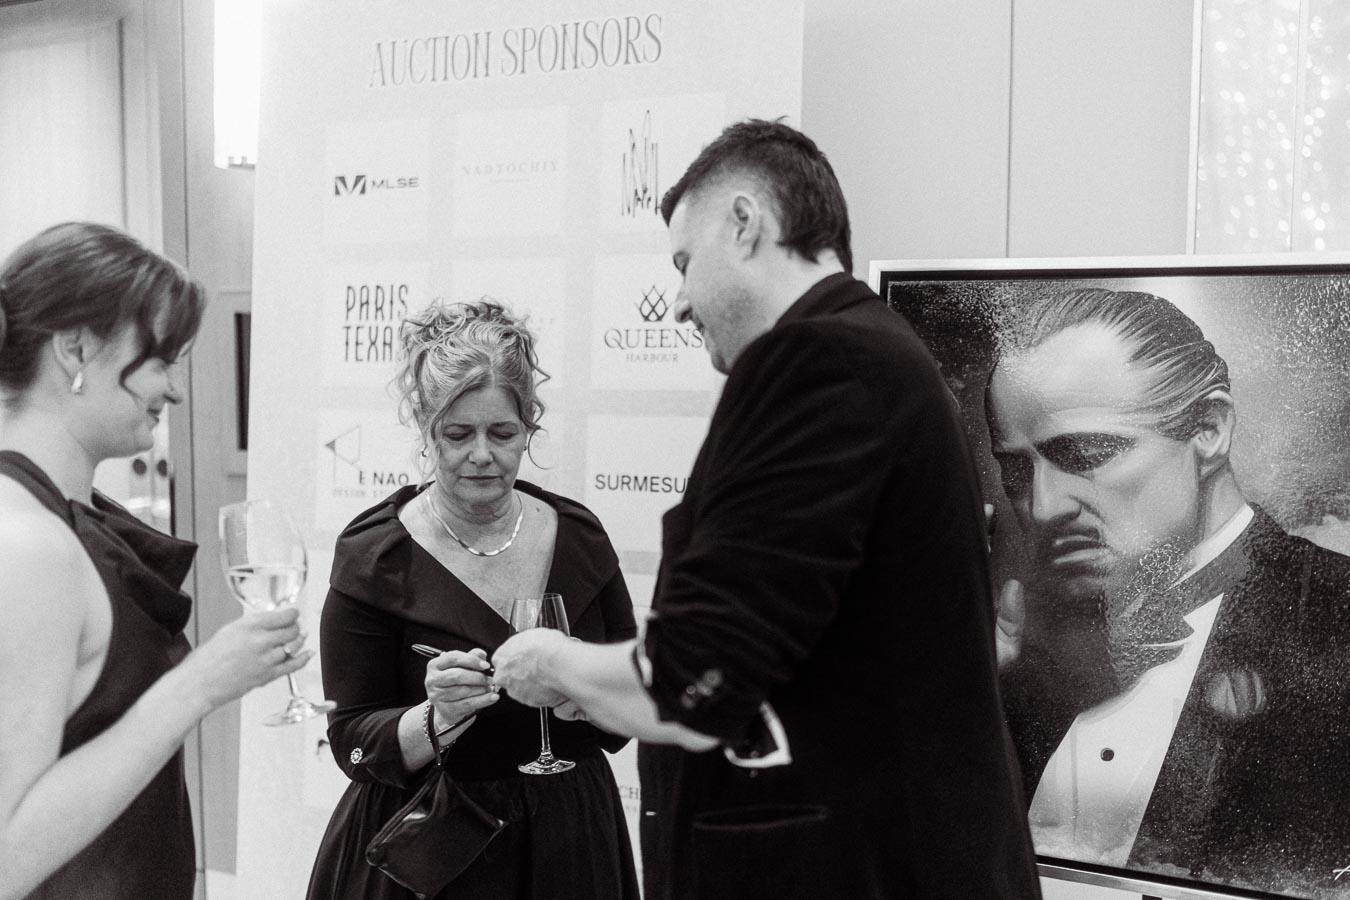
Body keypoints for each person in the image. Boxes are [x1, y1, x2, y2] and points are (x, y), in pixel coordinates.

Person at [492, 120, 1041, 900]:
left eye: (684, 264)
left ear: (745, 224)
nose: (678, 303)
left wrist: (547, 660)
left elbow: (691, 683)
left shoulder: (814, 359)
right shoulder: (876, 352)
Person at [989, 287, 1350, 894]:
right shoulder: (1003, 652)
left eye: (1085, 452)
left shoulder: (1335, 617)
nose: (1044, 506)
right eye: (1017, 470)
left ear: (1208, 429)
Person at [0, 222, 310, 900]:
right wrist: (198, 683)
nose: (173, 388)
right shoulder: (26, 546)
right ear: (76, 346)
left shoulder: (64, 522)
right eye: (161, 358)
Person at [306, 299, 640, 900]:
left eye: (502, 433)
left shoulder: (579, 538)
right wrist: (438, 718)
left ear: (528, 428)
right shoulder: (377, 554)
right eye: (458, 434)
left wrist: (582, 699)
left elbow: (626, 704)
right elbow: (352, 739)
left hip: (569, 844)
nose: (481, 454)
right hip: (429, 850)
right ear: (427, 429)